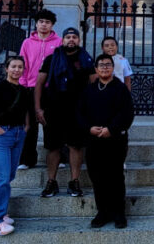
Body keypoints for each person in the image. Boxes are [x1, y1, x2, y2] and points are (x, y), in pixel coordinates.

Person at [35, 26, 95, 198]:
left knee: (76, 146)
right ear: (62, 40)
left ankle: (74, 181)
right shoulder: (51, 59)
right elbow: (39, 84)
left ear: (79, 40)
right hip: (53, 108)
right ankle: (51, 181)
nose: (71, 40)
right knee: (53, 146)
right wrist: (38, 108)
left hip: (78, 110)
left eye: (74, 37)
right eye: (68, 37)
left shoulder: (86, 60)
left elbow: (93, 85)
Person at [78, 53, 134, 229]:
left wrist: (111, 129)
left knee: (115, 176)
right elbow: (79, 113)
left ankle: (119, 213)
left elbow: (126, 113)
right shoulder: (89, 90)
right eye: (101, 65)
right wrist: (89, 128)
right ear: (96, 69)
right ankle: (103, 212)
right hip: (94, 140)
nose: (104, 68)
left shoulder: (120, 89)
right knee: (97, 176)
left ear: (112, 67)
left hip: (115, 140)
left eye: (108, 65)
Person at [0, 55, 33, 236]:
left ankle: (2, 212)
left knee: (9, 175)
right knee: (1, 178)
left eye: (20, 67)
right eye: (13, 67)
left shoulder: (23, 91)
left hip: (17, 134)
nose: (17, 70)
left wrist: (25, 127)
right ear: (6, 69)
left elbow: (25, 110)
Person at [17, 9, 60, 170]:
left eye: (47, 22)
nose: (44, 25)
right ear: (36, 23)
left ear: (52, 25)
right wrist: (23, 83)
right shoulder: (27, 43)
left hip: (50, 90)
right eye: (41, 21)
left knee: (53, 124)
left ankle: (59, 156)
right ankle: (27, 159)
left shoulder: (58, 42)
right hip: (30, 87)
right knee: (30, 125)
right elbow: (23, 64)